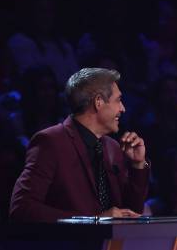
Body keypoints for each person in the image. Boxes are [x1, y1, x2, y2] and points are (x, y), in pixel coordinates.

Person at [10, 68, 150, 222]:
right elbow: (22, 208)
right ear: (98, 102)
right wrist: (92, 220)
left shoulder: (113, 147)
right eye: (118, 100)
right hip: (68, 245)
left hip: (112, 245)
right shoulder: (50, 142)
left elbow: (131, 213)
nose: (122, 108)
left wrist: (137, 165)